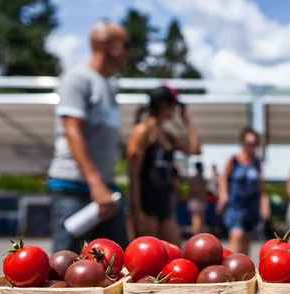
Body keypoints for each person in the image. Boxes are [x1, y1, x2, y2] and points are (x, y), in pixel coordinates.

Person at [48, 22, 131, 253]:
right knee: (66, 265)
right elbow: (72, 131)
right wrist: (96, 184)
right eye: (126, 45)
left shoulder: (109, 87)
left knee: (117, 264)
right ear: (108, 45)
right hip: (74, 189)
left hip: (104, 191)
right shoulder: (77, 79)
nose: (130, 52)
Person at [127, 86, 201, 245]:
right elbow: (133, 174)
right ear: (164, 106)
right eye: (174, 106)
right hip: (147, 206)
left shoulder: (167, 135)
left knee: (176, 253)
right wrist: (137, 211)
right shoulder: (143, 132)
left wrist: (187, 121)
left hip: (165, 206)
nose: (176, 110)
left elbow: (195, 150)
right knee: (148, 259)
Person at [217, 127, 270, 255]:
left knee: (247, 238)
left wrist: (265, 203)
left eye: (254, 144)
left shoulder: (257, 162)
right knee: (237, 235)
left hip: (251, 206)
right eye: (249, 144)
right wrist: (223, 195)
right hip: (236, 205)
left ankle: (244, 270)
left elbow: (260, 185)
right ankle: (234, 267)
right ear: (242, 143)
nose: (252, 147)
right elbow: (224, 178)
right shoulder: (234, 160)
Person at [188, 162, 208, 235]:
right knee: (201, 219)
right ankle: (198, 234)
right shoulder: (203, 178)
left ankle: (196, 235)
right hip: (202, 201)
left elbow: (191, 190)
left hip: (195, 201)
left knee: (196, 219)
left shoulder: (193, 179)